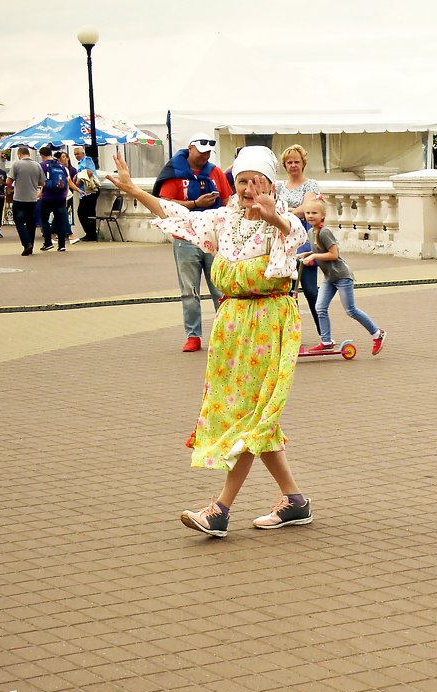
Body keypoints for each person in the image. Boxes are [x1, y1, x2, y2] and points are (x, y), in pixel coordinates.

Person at [106, 146, 313, 536]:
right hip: (232, 323)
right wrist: (134, 189)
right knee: (249, 414)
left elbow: (295, 235)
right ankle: (295, 502)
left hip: (268, 322)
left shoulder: (278, 221)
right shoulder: (224, 219)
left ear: (271, 184)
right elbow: (176, 215)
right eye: (242, 181)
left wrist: (277, 219)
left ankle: (220, 509)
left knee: (249, 414)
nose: (249, 189)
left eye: (257, 182)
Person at [152, 133, 233, 352]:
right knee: (190, 290)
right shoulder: (174, 174)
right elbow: (165, 204)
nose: (206, 156)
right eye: (202, 152)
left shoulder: (215, 172)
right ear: (190, 149)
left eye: (208, 153)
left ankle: (225, 332)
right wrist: (194, 203)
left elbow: (226, 200)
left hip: (213, 237)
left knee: (220, 288)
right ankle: (193, 335)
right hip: (185, 238)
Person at [301, 198, 387, 355]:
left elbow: (334, 254)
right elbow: (317, 251)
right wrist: (303, 254)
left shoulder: (325, 232)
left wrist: (313, 257)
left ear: (323, 215)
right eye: (308, 213)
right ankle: (326, 341)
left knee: (351, 310)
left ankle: (377, 334)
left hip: (341, 276)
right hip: (329, 277)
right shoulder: (311, 232)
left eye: (314, 213)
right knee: (320, 307)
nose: (310, 216)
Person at [274, 144, 322, 337]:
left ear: (303, 164)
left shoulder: (310, 185)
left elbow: (308, 207)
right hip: (284, 239)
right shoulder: (278, 186)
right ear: (285, 165)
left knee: (310, 289)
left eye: (297, 162)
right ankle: (290, 335)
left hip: (304, 237)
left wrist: (288, 212)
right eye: (289, 162)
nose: (293, 165)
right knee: (287, 292)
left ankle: (324, 333)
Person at [39, 148, 80, 252]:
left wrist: (40, 192)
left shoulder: (42, 166)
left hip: (47, 197)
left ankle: (48, 242)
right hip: (61, 197)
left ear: (42, 155)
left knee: (44, 220)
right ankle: (62, 245)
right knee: (60, 220)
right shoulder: (62, 166)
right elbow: (68, 182)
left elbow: (40, 182)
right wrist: (78, 190)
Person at [6, 146, 44, 256]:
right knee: (31, 223)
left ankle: (26, 243)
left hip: (19, 198)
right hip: (32, 198)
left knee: (19, 221)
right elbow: (42, 183)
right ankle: (31, 246)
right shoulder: (37, 165)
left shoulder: (16, 164)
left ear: (19, 154)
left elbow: (9, 181)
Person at [73, 146, 100, 241]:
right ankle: (90, 233)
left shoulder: (87, 160)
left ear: (83, 153)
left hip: (90, 190)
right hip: (85, 191)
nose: (76, 156)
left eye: (78, 154)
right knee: (86, 212)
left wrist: (79, 178)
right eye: (75, 154)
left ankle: (91, 233)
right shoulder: (80, 163)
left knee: (83, 212)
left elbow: (89, 173)